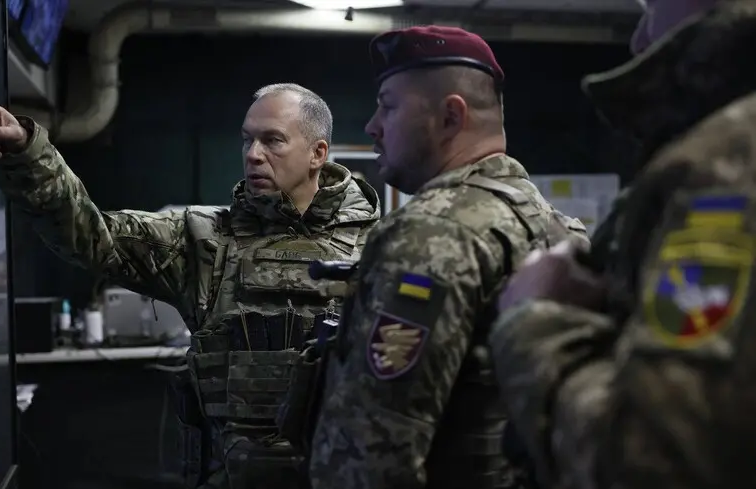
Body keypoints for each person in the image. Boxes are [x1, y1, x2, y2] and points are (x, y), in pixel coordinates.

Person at [0, 82, 381, 488]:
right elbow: (90, 235)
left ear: (317, 153)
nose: (253, 154)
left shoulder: (379, 247)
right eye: (247, 140)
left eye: (272, 141)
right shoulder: (204, 239)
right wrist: (27, 154)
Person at [305, 26, 589, 489]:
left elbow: (372, 455)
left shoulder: (431, 231)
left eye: (388, 106)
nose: (373, 125)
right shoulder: (561, 230)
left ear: (450, 117)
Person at [489, 1, 756, 488]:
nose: (637, 40)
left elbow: (656, 462)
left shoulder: (731, 156)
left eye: (650, 8)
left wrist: (535, 318)